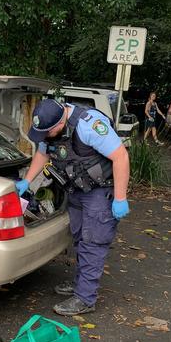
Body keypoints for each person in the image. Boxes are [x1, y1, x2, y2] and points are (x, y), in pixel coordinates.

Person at [15, 99, 130, 316]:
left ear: (59, 125)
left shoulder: (89, 126)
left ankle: (85, 298)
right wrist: (27, 181)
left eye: (47, 132)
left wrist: (120, 198)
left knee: (93, 242)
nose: (45, 137)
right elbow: (43, 153)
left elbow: (121, 156)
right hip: (75, 189)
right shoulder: (51, 128)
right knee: (78, 237)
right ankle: (80, 284)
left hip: (99, 192)